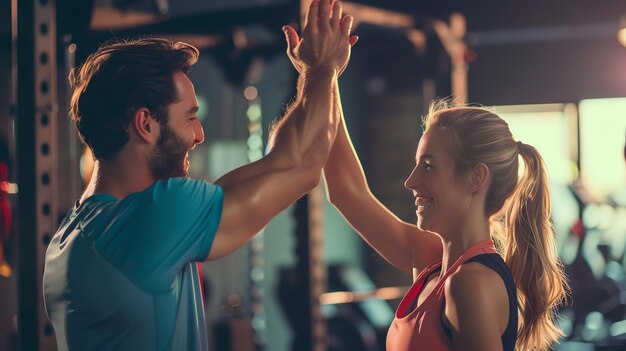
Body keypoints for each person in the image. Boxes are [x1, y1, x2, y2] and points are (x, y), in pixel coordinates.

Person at [43, 0, 356, 349]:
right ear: (145, 124)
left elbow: (280, 162)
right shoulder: (152, 220)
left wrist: (314, 73)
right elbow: (303, 165)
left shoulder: (74, 231)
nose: (200, 134)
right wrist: (323, 70)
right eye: (190, 117)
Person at [319, 100, 569, 350]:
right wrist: (324, 73)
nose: (410, 181)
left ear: (476, 178)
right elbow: (347, 193)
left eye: (428, 166)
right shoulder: (434, 261)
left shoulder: (470, 283)